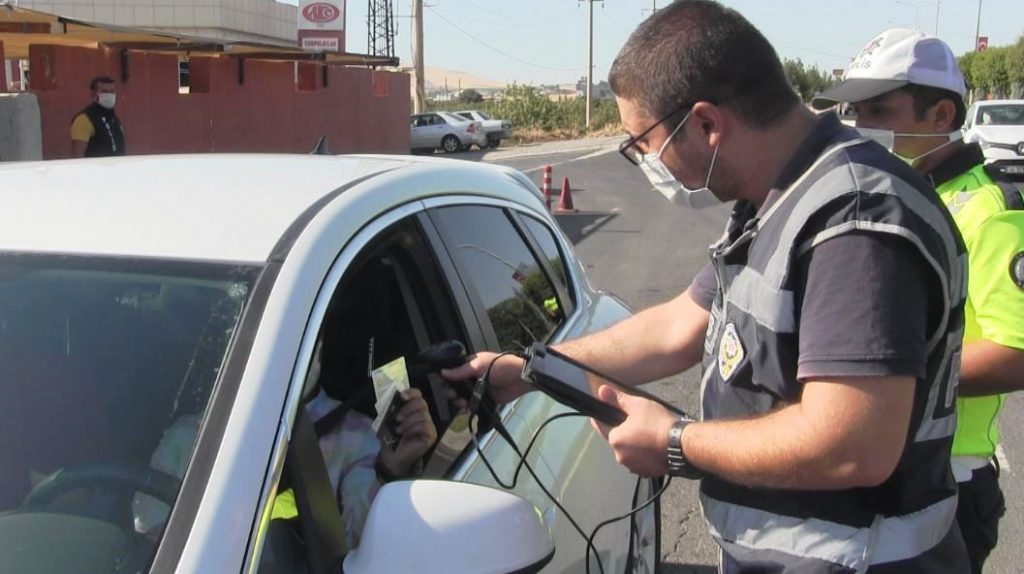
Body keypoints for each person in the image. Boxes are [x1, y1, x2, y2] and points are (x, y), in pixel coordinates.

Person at [443, 2, 969, 572]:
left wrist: (675, 442)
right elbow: (679, 326)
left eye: (641, 142)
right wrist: (529, 370)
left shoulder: (855, 219)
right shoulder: (773, 198)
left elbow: (853, 446)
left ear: (706, 125)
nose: (645, 161)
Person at [812, 28, 1024, 574]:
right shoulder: (885, 194)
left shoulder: (990, 209)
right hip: (872, 468)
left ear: (941, 115)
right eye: (855, 112)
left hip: (948, 478)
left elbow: (1015, 352)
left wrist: (884, 380)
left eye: (880, 110)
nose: (861, 126)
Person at [134, 340, 437, 551]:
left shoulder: (357, 437)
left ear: (318, 345)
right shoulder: (191, 435)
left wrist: (390, 471)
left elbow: (363, 552)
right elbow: (147, 540)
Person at [70, 76, 126, 158]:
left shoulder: (115, 119)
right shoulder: (84, 120)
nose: (109, 95)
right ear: (93, 94)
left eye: (111, 92)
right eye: (104, 92)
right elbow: (78, 156)